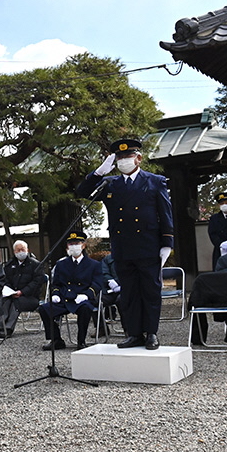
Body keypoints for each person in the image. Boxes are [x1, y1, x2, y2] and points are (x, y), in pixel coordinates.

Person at [76, 138, 174, 350]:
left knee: (150, 291)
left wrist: (167, 243)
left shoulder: (155, 181)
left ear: (138, 158)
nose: (123, 161)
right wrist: (99, 172)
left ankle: (151, 333)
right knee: (128, 293)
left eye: (127, 157)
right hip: (123, 247)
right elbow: (83, 192)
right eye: (119, 158)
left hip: (148, 245)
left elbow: (165, 214)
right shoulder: (111, 183)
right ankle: (134, 333)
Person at [37, 232, 103, 350]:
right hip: (65, 297)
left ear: (83, 245)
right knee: (44, 308)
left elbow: (98, 283)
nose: (74, 246)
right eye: (71, 244)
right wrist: (56, 294)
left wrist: (87, 295)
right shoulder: (62, 264)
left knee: (85, 309)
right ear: (67, 247)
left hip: (82, 299)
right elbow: (56, 283)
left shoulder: (94, 265)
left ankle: (81, 341)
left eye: (77, 243)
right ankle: (56, 340)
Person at [0, 240, 44, 338]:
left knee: (16, 302)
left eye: (23, 249)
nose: (21, 251)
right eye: (18, 250)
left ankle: (8, 328)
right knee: (4, 302)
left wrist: (22, 292)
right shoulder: (9, 265)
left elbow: (37, 282)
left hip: (30, 297)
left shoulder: (35, 264)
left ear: (27, 250)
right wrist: (10, 291)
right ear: (14, 252)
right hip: (12, 295)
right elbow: (5, 280)